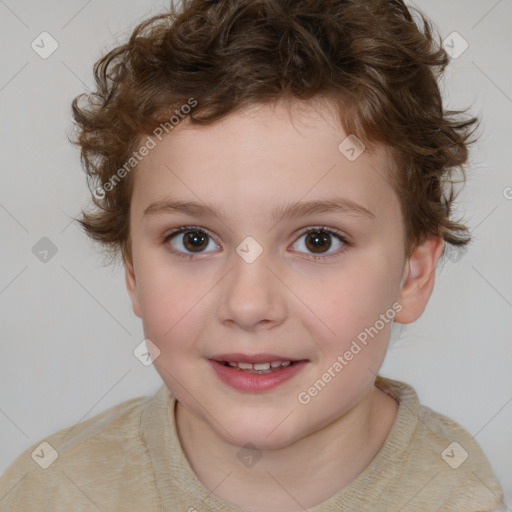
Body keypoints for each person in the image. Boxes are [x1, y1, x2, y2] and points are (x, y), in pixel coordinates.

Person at [0, 0, 506, 510]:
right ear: (132, 270)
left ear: (413, 276)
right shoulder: (49, 492)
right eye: (194, 239)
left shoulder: (457, 491)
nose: (247, 304)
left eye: (318, 241)